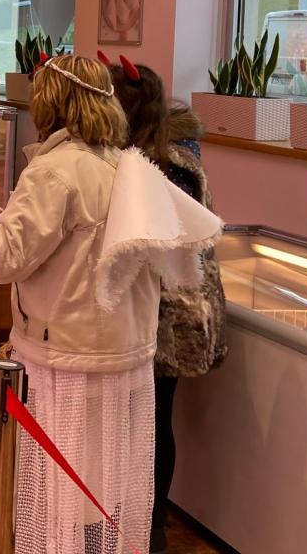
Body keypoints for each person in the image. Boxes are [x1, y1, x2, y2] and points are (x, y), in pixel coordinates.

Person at [0, 54, 221, 554]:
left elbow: (2, 257)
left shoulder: (55, 172)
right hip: (124, 356)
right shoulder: (131, 169)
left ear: (50, 103)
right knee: (105, 487)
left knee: (58, 494)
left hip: (63, 359)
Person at [107, 55, 226, 554]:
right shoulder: (165, 155)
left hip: (168, 317)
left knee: (150, 423)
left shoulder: (163, 166)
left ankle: (147, 526)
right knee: (148, 421)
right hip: (162, 310)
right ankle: (139, 523)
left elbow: (151, 249)